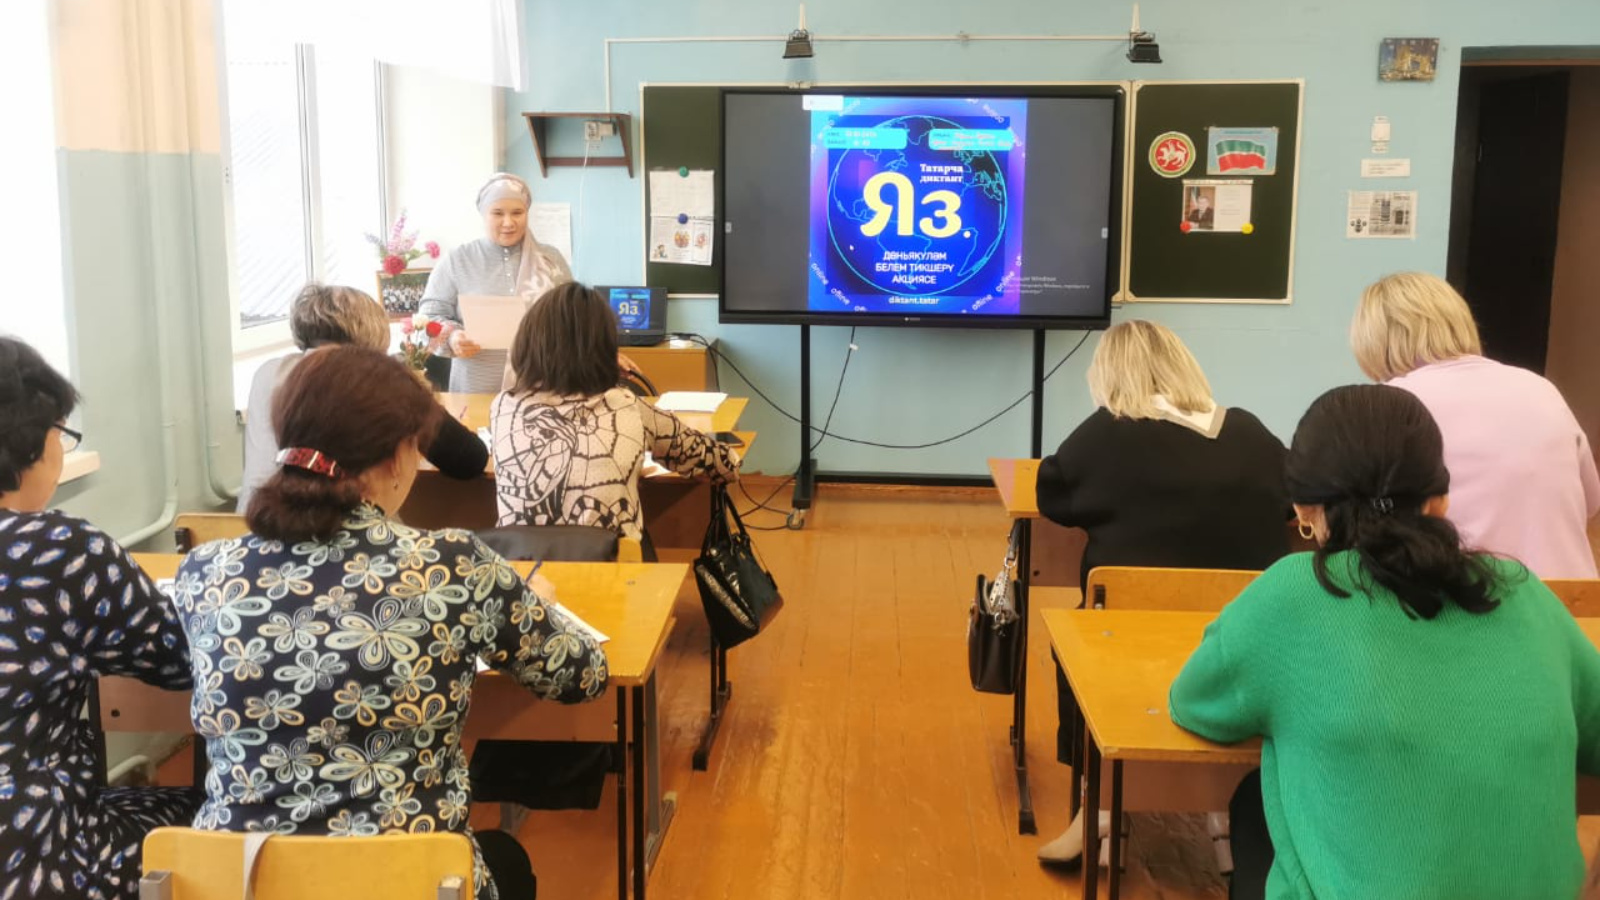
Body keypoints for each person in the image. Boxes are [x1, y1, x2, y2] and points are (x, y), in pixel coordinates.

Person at [175, 346, 609, 900]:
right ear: (398, 456)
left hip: (243, 882)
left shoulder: (206, 571)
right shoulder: (453, 566)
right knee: (507, 859)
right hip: (414, 880)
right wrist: (531, 604)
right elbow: (583, 675)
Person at [1170, 383, 1600, 900]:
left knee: (1255, 803)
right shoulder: (1523, 592)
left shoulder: (1289, 597)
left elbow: (1195, 703)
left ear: (1303, 509)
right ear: (1440, 499)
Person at [1034, 320, 1289, 867]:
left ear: (1109, 376)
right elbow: (1294, 500)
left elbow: (1051, 496)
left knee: (1075, 632)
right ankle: (1227, 814)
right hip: (1239, 638)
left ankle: (1099, 807)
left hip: (1123, 640)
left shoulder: (1106, 435)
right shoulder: (1249, 433)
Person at [0, 337, 198, 899]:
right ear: (31, 439)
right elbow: (181, 659)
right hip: (37, 856)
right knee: (210, 817)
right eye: (61, 433)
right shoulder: (55, 551)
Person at [1351, 271, 1600, 577]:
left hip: (1476, 596)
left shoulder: (1390, 405)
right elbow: (1590, 503)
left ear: (1372, 341)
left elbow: (1358, 522)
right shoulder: (1539, 387)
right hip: (1573, 598)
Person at [492, 282, 740, 542]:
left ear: (527, 342)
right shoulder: (625, 404)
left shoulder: (503, 406)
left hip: (520, 562)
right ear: (606, 347)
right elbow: (711, 459)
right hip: (612, 560)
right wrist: (732, 462)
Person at [238, 283, 488, 511]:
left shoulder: (267, 372)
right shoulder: (377, 380)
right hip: (341, 533)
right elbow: (468, 460)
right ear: (375, 330)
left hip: (250, 521)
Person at [417, 173, 576, 393]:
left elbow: (573, 317)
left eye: (517, 213)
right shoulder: (457, 260)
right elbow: (428, 318)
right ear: (483, 214)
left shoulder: (551, 259)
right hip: (476, 388)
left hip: (540, 387)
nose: (508, 222)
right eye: (498, 213)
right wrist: (453, 337)